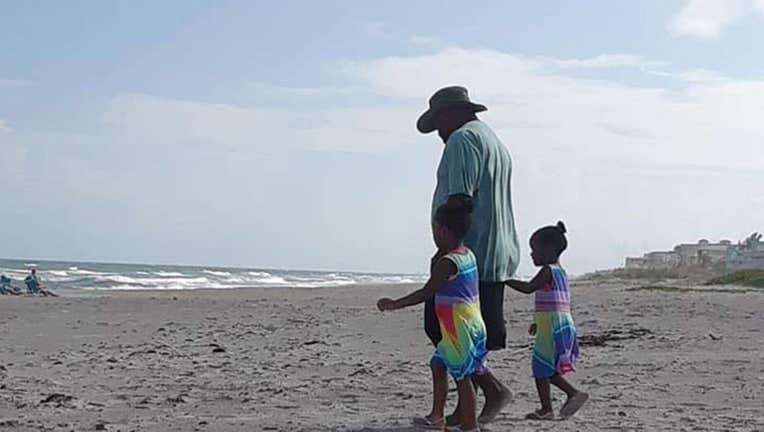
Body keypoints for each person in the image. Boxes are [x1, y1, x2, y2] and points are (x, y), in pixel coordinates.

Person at [418, 86, 519, 425]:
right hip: (495, 253)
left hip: (468, 253)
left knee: (444, 330)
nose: (439, 134)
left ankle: (492, 390)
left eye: (438, 123)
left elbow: (459, 200)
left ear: (452, 114)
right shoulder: (494, 142)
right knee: (470, 332)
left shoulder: (462, 140)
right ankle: (467, 409)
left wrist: (444, 249)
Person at [378, 197, 486, 432]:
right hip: (469, 322)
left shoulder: (448, 262)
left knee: (463, 377)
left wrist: (395, 304)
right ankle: (437, 416)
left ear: (443, 231)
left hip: (458, 328)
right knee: (438, 364)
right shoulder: (467, 253)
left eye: (435, 230)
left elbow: (427, 291)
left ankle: (470, 426)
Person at [505, 222, 588, 420]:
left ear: (549, 249)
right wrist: (536, 322)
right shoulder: (561, 271)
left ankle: (552, 405)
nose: (532, 255)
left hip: (552, 325)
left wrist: (504, 279)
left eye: (534, 250)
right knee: (547, 367)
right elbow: (551, 301)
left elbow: (528, 288)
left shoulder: (548, 270)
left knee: (541, 367)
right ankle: (563, 398)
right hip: (559, 322)